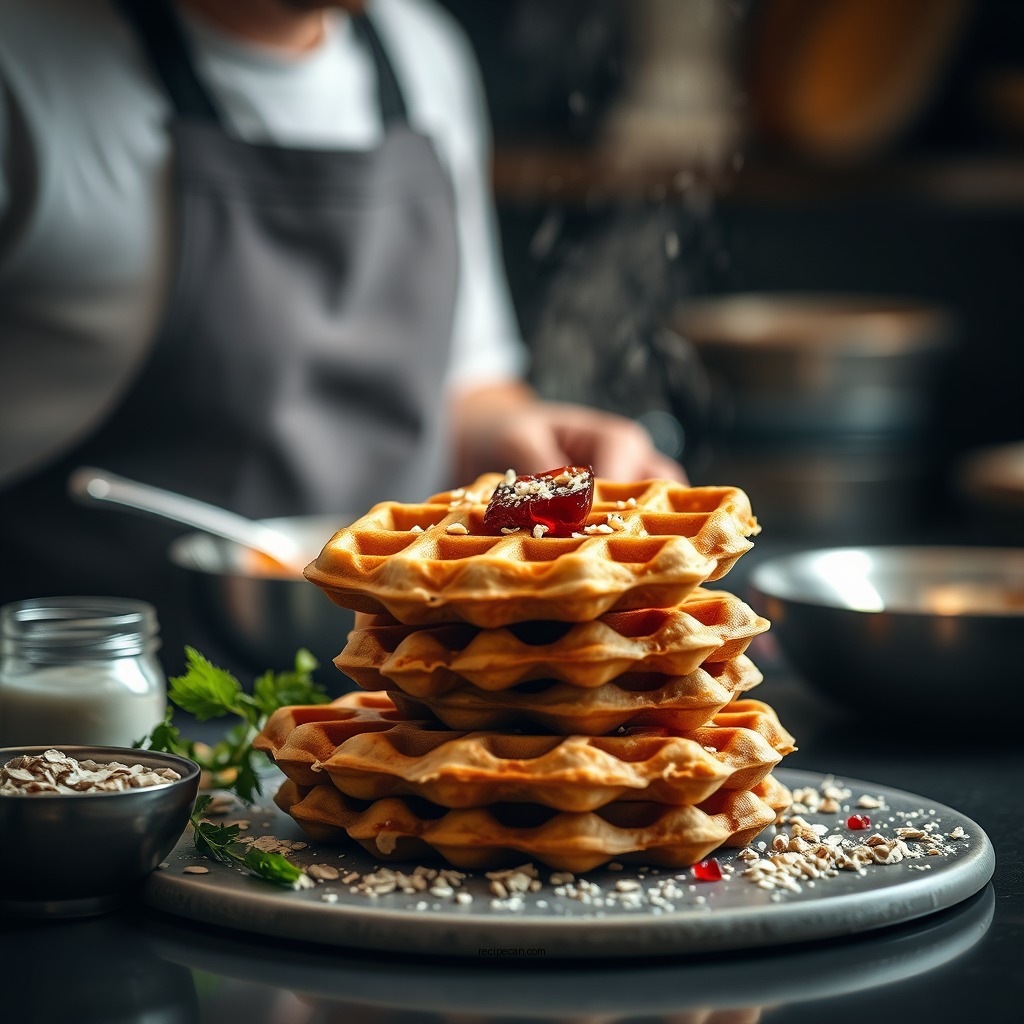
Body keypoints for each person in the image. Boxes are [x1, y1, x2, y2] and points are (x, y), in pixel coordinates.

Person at [0, 0, 684, 662]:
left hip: (408, 696)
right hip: (83, 724)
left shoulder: (421, 50)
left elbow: (468, 383)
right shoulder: (24, 66)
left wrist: (509, 436)